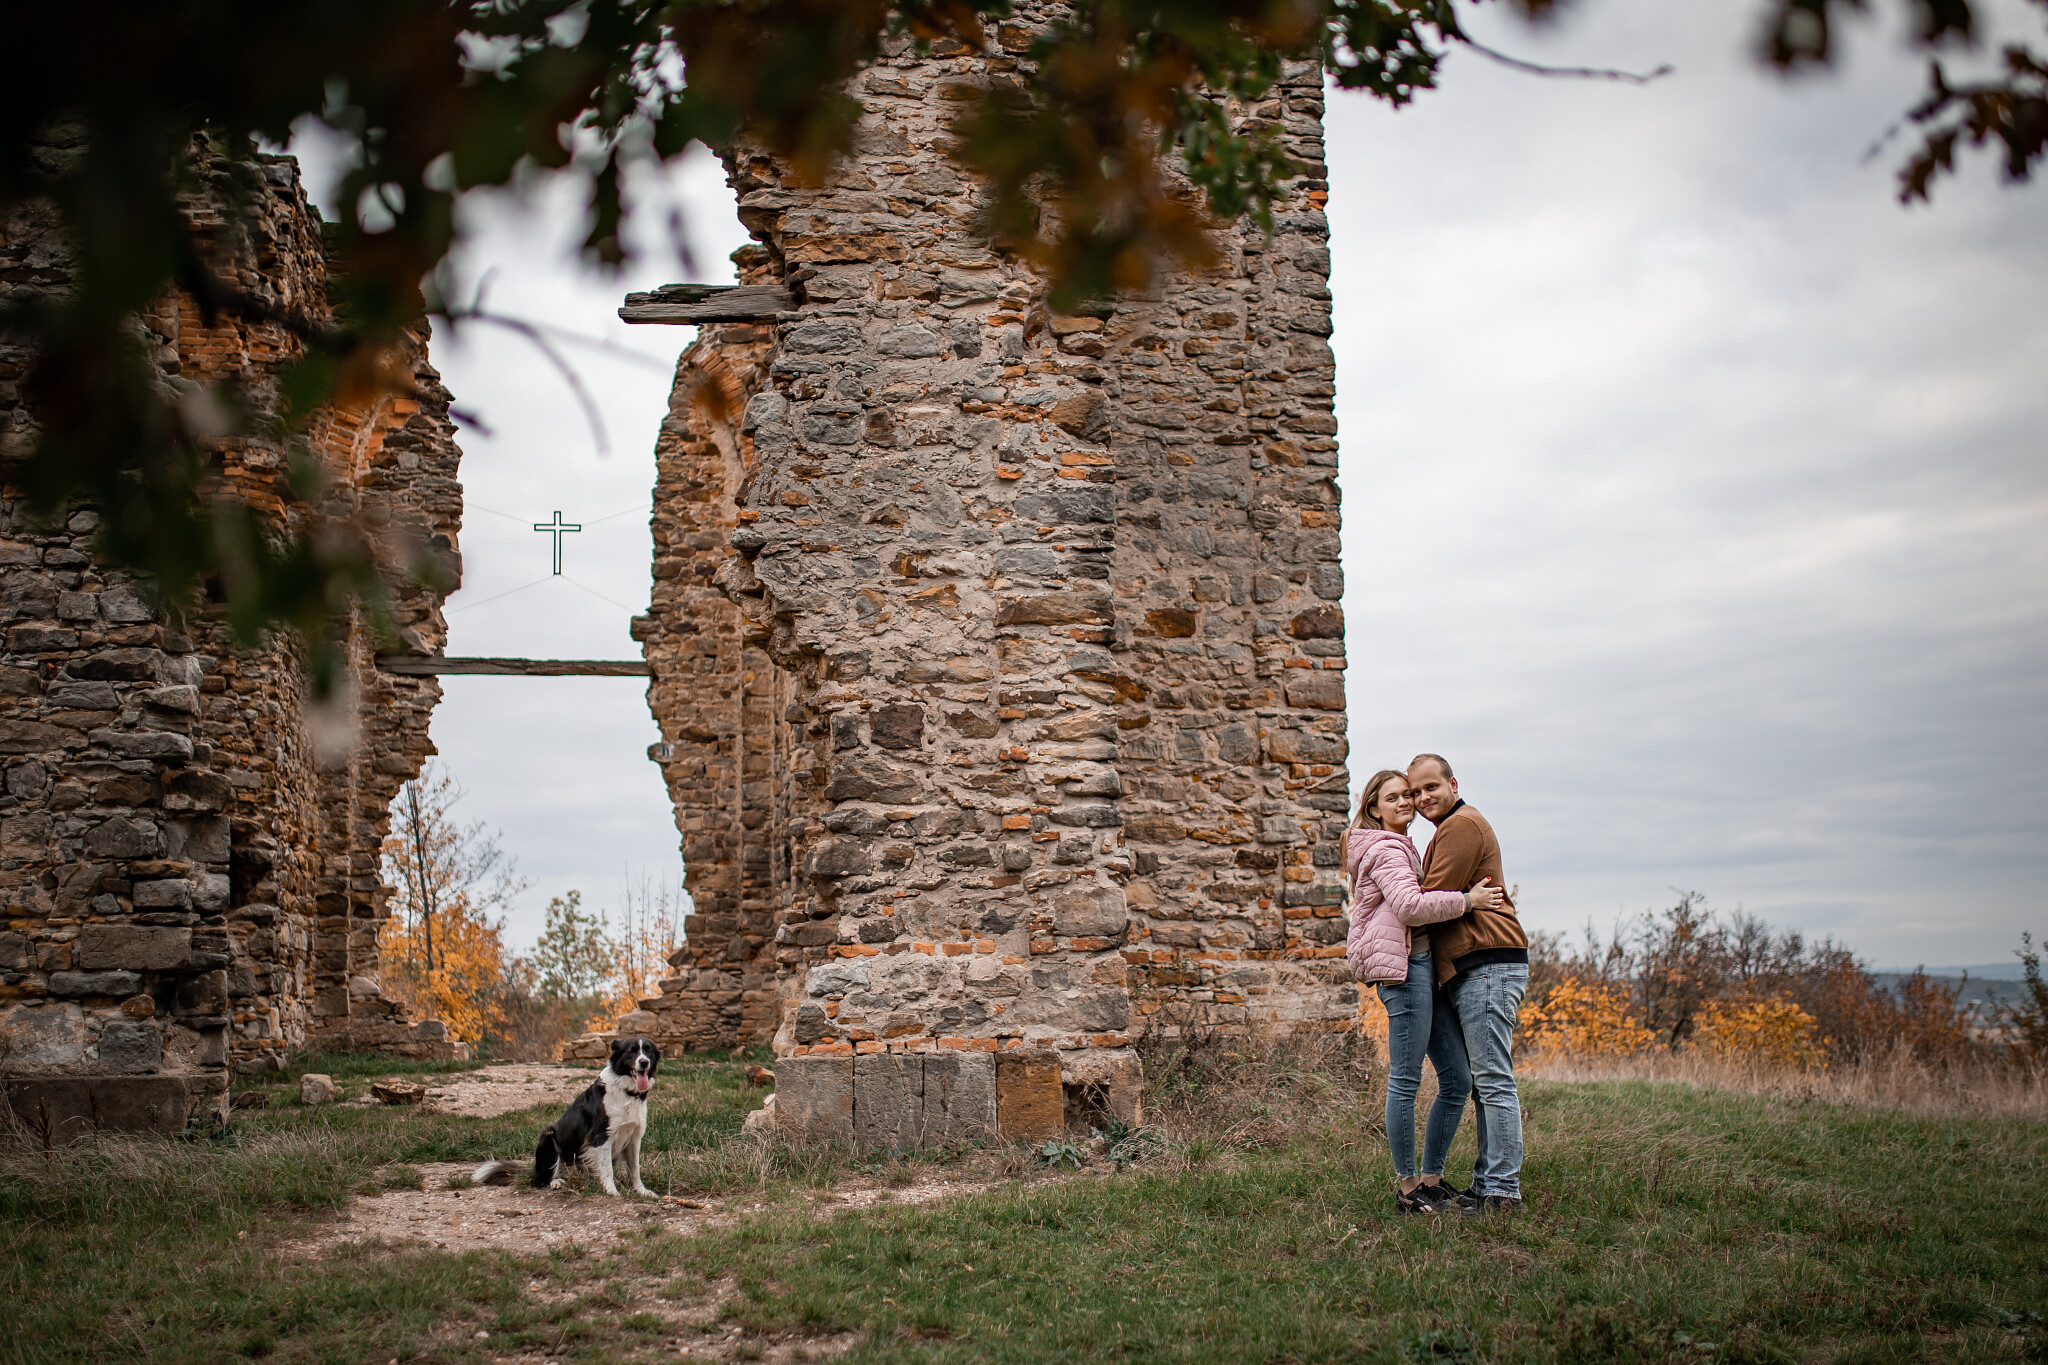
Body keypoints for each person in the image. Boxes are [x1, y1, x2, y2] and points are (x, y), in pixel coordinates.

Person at [1344, 768, 1505, 1215]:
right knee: (1407, 1080)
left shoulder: (1402, 846)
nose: (1404, 803)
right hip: (1406, 970)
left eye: (1408, 796)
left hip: (1422, 968)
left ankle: (1432, 1179)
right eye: (1393, 797)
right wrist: (1469, 902)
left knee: (1457, 1079)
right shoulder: (1387, 849)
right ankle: (1409, 1188)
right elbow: (1412, 909)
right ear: (1373, 807)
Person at [1410, 752, 1529, 1214]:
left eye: (1430, 788)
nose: (1422, 799)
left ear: (1452, 784)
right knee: (1484, 1082)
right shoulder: (1447, 830)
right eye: (1416, 792)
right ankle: (1487, 1186)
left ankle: (1502, 1192)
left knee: (1493, 1080)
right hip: (1471, 966)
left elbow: (1426, 899)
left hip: (1488, 962)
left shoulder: (1461, 826)